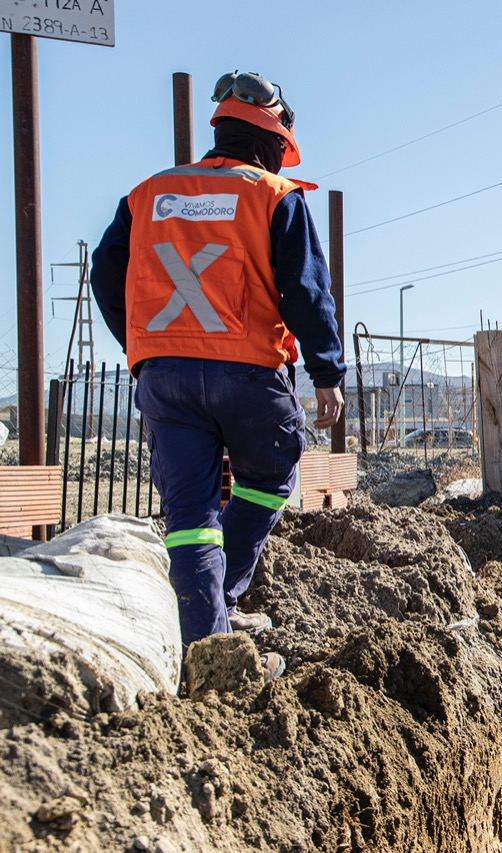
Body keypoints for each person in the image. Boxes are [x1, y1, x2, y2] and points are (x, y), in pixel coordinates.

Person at [90, 71, 345, 681]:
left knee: (189, 515)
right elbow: (307, 292)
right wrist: (326, 372)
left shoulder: (150, 192)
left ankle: (203, 642)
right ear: (277, 139)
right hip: (246, 375)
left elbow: (104, 271)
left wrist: (144, 344)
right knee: (272, 471)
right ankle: (224, 603)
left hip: (165, 380)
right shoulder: (274, 195)